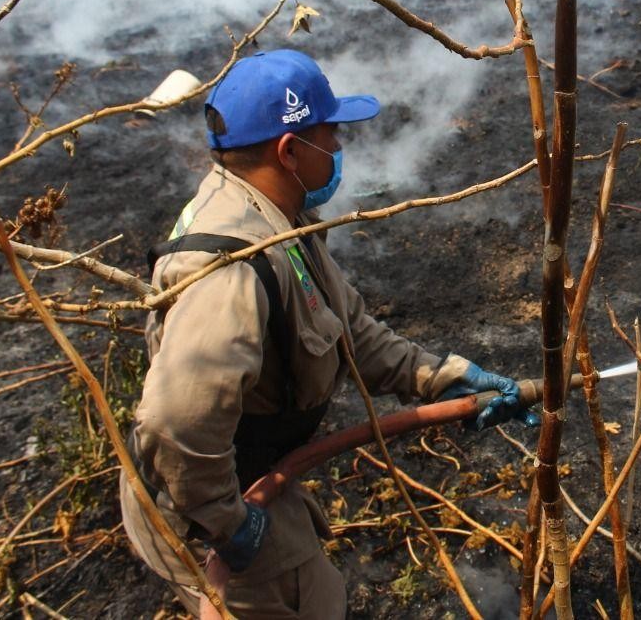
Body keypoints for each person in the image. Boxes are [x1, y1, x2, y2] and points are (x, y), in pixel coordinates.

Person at [119, 49, 537, 618]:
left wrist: (446, 378)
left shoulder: (271, 216)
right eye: (330, 134)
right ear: (290, 151)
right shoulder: (232, 272)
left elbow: (348, 329)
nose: (339, 147)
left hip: (242, 484)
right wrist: (228, 524)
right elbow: (176, 423)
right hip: (209, 512)